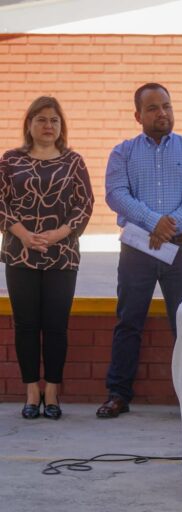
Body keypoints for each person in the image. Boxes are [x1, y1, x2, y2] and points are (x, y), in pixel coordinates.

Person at [99, 83, 182, 418]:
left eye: (166, 105)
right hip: (138, 249)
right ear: (138, 115)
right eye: (152, 108)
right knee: (128, 320)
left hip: (180, 248)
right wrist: (154, 222)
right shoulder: (123, 152)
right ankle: (118, 393)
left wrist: (172, 224)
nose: (161, 113)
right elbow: (116, 194)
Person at [0, 96, 93, 420]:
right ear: (29, 124)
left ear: (61, 125)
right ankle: (31, 391)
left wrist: (58, 234)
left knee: (55, 326)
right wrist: (23, 234)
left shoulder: (74, 162)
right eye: (41, 119)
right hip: (19, 253)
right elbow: (1, 202)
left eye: (54, 120)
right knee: (26, 326)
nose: (48, 126)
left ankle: (51, 390)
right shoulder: (10, 160)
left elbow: (84, 205)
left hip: (62, 255)